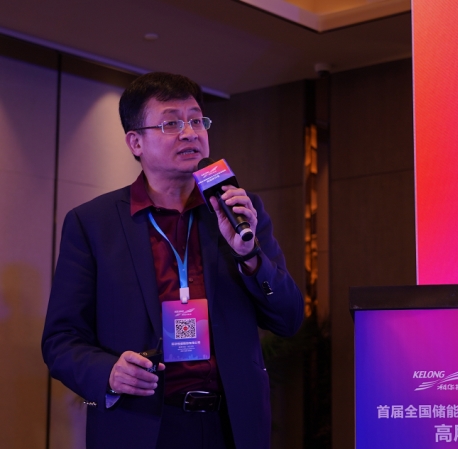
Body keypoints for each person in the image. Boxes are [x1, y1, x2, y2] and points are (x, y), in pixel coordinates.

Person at [41, 72, 304, 449]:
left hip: (231, 428)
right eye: (171, 123)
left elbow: (289, 318)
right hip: (140, 426)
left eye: (197, 120)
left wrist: (249, 256)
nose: (189, 133)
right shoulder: (93, 224)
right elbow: (60, 340)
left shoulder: (238, 211)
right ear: (135, 142)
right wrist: (109, 372)